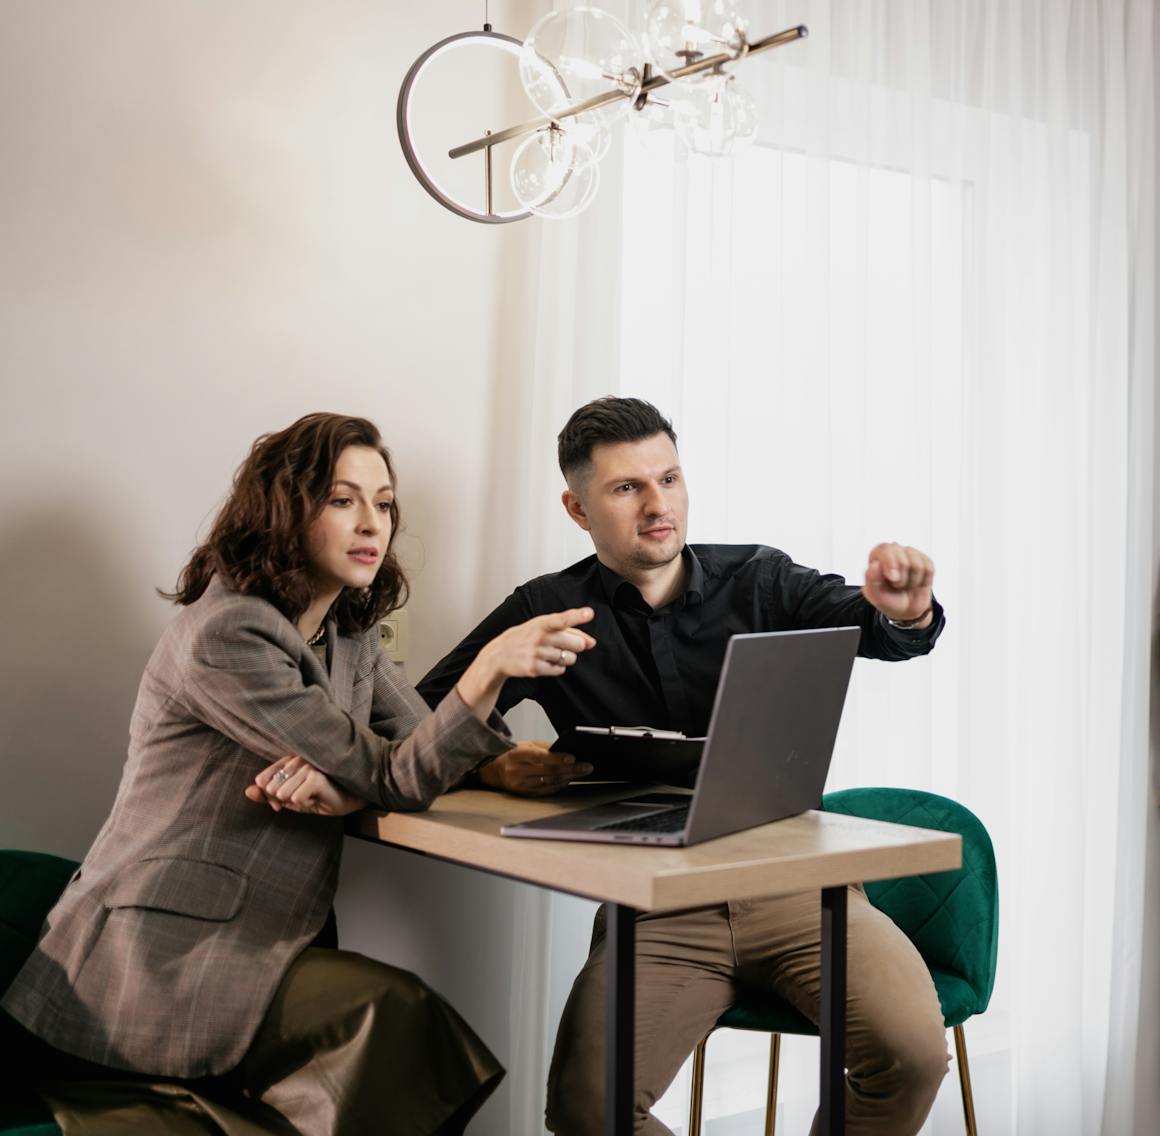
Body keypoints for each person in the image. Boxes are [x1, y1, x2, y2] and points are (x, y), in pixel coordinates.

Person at [2, 412, 596, 1133]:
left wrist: (395, 778)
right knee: (395, 1016)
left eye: (384, 503)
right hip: (157, 946)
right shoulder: (229, 633)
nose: (372, 523)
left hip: (258, 936)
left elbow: (410, 746)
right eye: (343, 500)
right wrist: (489, 670)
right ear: (284, 508)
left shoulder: (347, 631)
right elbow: (402, 773)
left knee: (394, 1041)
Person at [414, 396, 951, 1136]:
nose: (657, 504)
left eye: (668, 479)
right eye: (627, 488)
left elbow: (883, 632)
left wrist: (906, 612)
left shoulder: (760, 581)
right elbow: (419, 719)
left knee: (912, 1055)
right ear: (577, 508)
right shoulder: (548, 608)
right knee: (586, 1111)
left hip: (798, 887)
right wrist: (491, 766)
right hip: (657, 907)